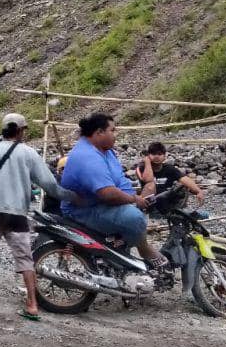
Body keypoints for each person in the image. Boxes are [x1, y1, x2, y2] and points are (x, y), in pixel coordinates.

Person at [0, 114, 79, 318]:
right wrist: (72, 197)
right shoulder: (29, 154)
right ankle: (32, 304)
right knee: (25, 259)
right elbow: (49, 184)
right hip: (17, 214)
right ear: (19, 130)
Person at [60, 113, 167, 271]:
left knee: (138, 209)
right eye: (113, 130)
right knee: (135, 219)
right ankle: (143, 249)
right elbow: (107, 193)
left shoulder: (105, 151)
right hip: (84, 210)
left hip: (101, 205)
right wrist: (133, 199)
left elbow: (118, 180)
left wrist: (137, 198)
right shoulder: (87, 156)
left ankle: (120, 260)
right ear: (99, 132)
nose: (116, 135)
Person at [136, 142, 205, 206]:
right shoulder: (141, 168)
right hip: (148, 202)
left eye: (159, 154)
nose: (156, 156)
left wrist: (199, 191)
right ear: (148, 155)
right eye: (153, 154)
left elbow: (185, 179)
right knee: (150, 185)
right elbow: (148, 180)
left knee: (182, 187)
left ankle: (177, 210)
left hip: (166, 200)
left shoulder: (169, 169)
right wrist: (147, 162)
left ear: (164, 156)